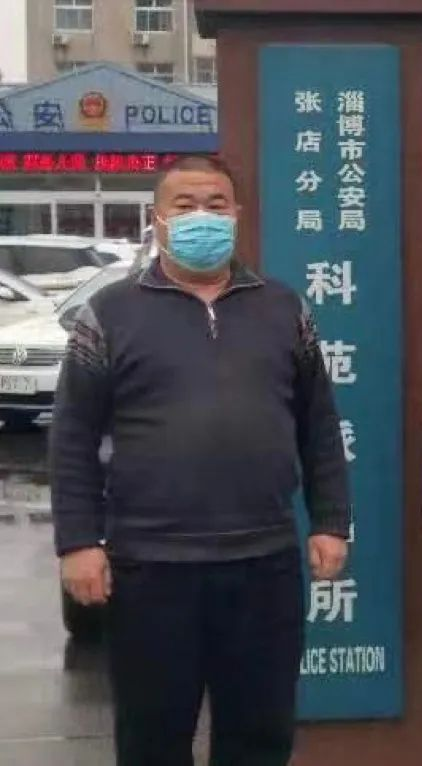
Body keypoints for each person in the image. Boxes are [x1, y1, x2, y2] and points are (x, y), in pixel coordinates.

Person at [50, 155, 351, 766]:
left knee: (259, 737)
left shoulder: (283, 308)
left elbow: (318, 425)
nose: (202, 217)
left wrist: (329, 521)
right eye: (184, 205)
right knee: (152, 741)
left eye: (215, 204)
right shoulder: (110, 312)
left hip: (262, 564)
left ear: (236, 214)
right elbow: (72, 435)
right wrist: (78, 541)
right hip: (150, 567)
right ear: (157, 218)